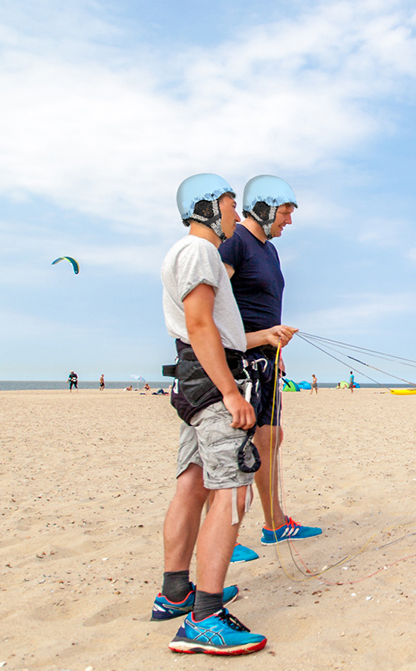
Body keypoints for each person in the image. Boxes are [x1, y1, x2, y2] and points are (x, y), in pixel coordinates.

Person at [154, 173, 286, 656]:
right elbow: (200, 323)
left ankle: (174, 594)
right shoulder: (200, 251)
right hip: (212, 382)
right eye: (231, 202)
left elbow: (214, 330)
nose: (236, 210)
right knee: (232, 494)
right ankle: (205, 618)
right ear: (209, 205)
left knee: (192, 482)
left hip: (196, 374)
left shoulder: (189, 253)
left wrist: (263, 336)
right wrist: (232, 393)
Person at [219, 175, 321, 554]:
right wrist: (256, 340)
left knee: (271, 438)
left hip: (267, 359)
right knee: (236, 447)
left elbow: (265, 306)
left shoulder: (270, 251)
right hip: (240, 359)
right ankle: (223, 537)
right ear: (262, 208)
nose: (288, 222)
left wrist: (275, 346)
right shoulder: (235, 244)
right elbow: (213, 306)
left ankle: (275, 523)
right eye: (284, 213)